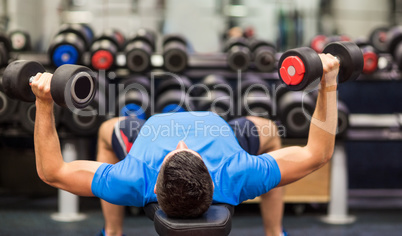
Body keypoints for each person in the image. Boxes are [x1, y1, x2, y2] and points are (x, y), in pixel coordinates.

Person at [31, 53, 339, 236]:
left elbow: (52, 171)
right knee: (270, 130)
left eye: (175, 152)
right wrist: (328, 84)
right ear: (211, 178)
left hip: (145, 134)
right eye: (188, 150)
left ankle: (113, 232)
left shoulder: (133, 177)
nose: (181, 141)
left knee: (106, 131)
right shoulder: (238, 172)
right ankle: (274, 233)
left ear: (155, 185)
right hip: (224, 134)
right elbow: (318, 153)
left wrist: (44, 103)